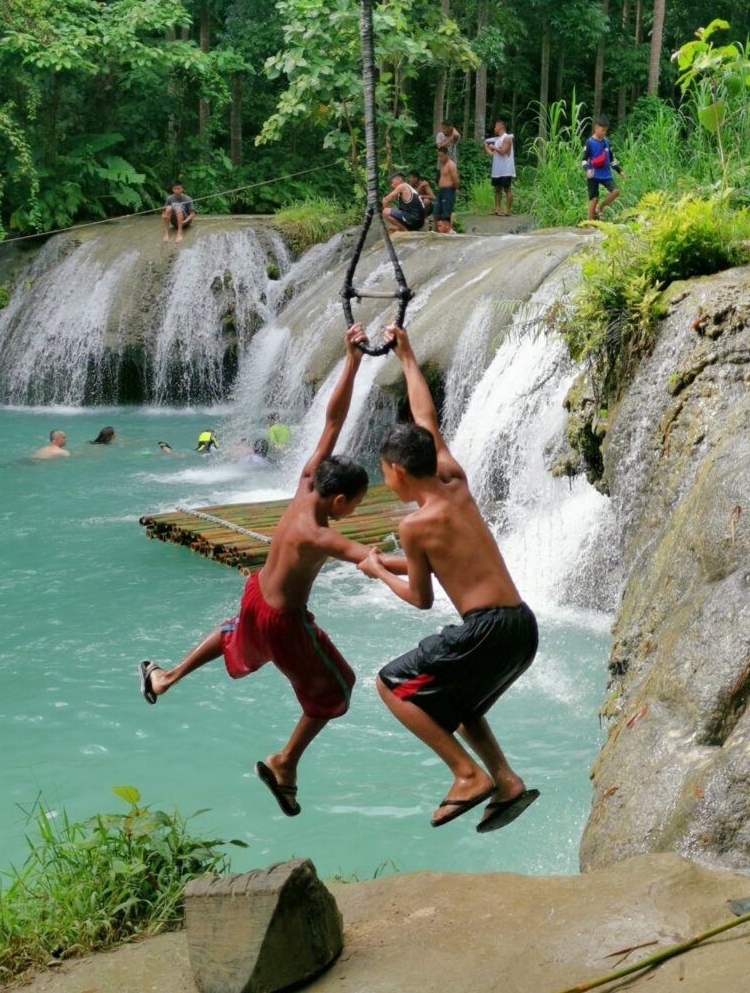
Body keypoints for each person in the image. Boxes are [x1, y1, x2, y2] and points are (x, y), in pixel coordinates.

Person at [138, 325, 377, 817]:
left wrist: (351, 360)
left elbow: (333, 419)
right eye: (357, 503)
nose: (355, 509)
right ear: (339, 501)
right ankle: (285, 762)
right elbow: (370, 560)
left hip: (256, 596)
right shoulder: (320, 532)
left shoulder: (308, 479)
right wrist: (425, 561)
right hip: (285, 622)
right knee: (341, 688)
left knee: (232, 632)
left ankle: (165, 677)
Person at [359, 325, 539, 833]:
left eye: (383, 472)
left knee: (392, 685)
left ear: (395, 471)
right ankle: (504, 780)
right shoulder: (453, 480)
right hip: (521, 628)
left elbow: (420, 597)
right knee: (458, 704)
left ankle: (467, 775)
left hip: (483, 629)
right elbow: (425, 416)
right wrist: (408, 356)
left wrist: (376, 571)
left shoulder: (412, 524)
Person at [581, 117, 622, 221]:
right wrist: (587, 170)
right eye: (602, 130)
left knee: (616, 191)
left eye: (605, 130)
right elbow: (584, 160)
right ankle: (590, 224)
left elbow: (611, 159)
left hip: (606, 174)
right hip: (593, 174)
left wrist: (620, 171)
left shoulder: (606, 141)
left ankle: (600, 208)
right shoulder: (589, 142)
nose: (604, 132)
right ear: (596, 128)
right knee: (594, 198)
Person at [485, 121, 516, 216]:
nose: (494, 128)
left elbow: (503, 152)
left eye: (495, 126)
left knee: (507, 189)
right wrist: (486, 147)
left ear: (500, 127)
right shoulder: (498, 139)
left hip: (506, 170)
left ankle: (507, 210)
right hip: (497, 170)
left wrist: (493, 147)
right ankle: (497, 209)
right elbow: (493, 155)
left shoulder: (507, 138)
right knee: (497, 189)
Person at [433, 149, 459, 234]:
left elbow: (455, 179)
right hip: (441, 191)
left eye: (441, 156)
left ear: (446, 154)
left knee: (446, 214)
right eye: (438, 156)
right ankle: (438, 231)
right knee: (436, 212)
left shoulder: (451, 165)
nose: (440, 158)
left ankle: (448, 231)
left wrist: (455, 190)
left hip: (448, 190)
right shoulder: (443, 165)